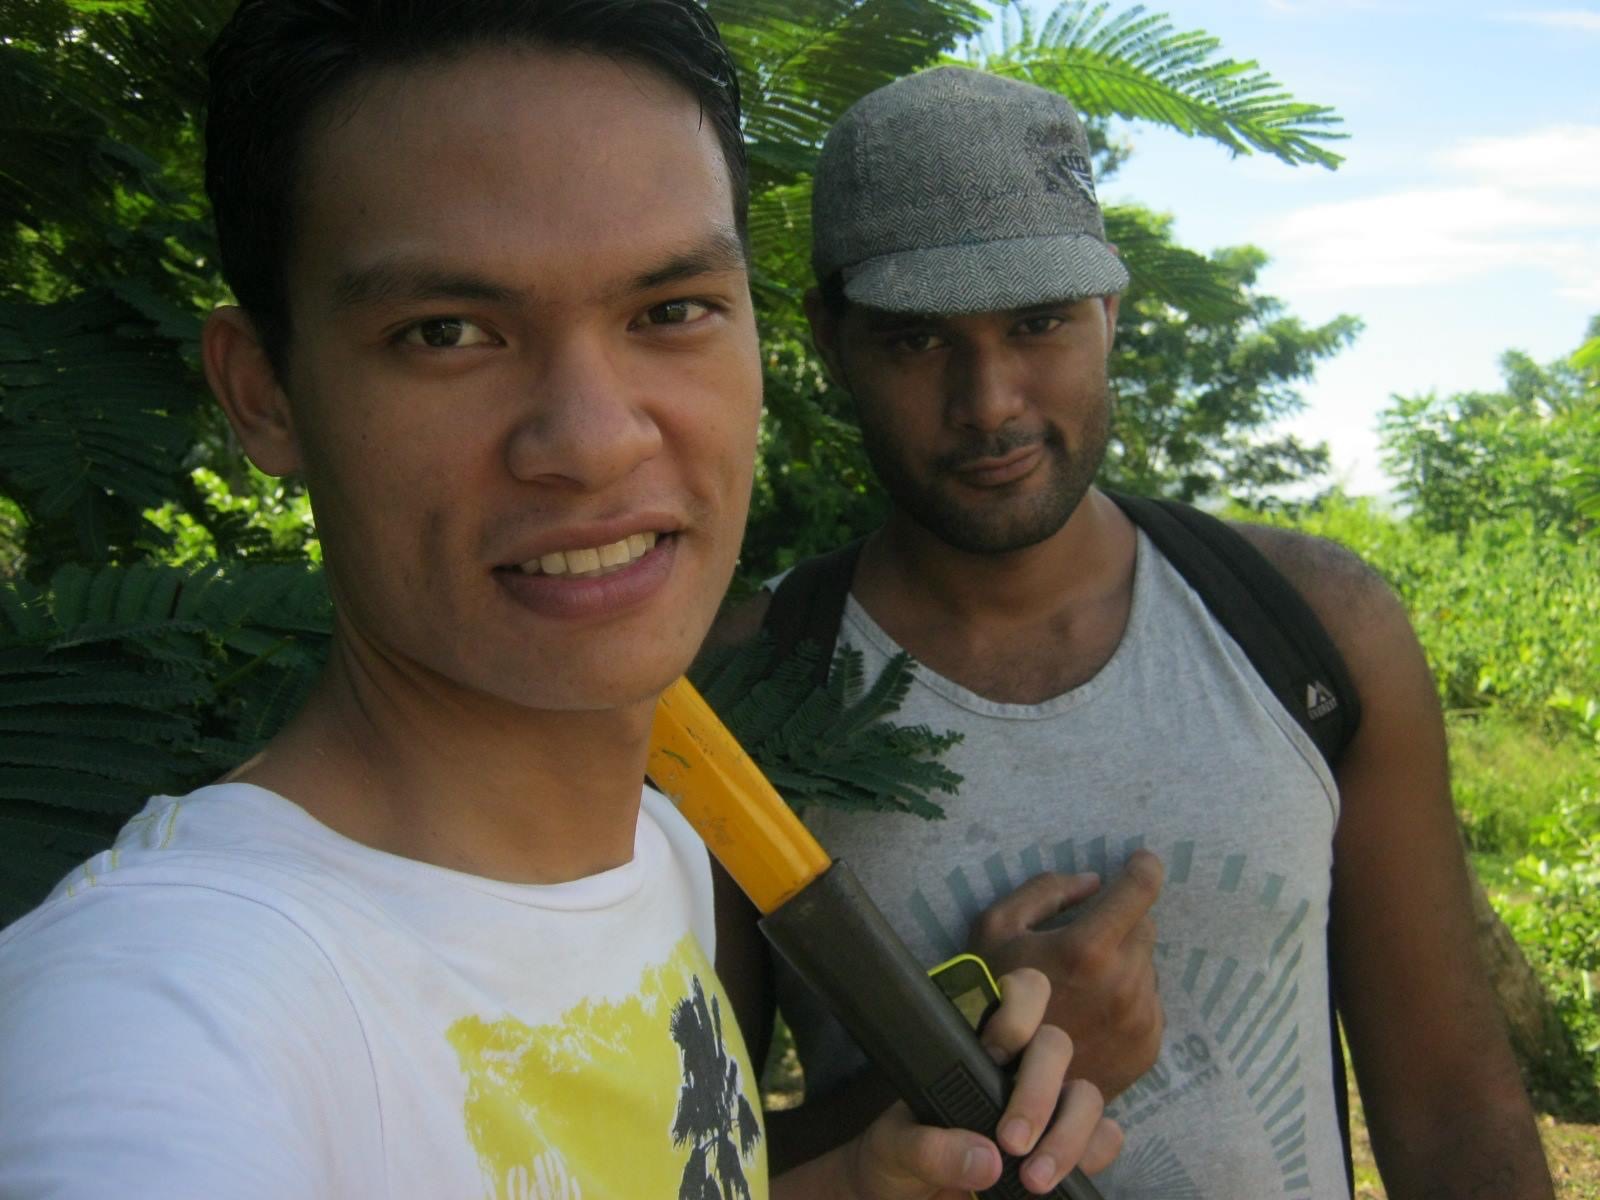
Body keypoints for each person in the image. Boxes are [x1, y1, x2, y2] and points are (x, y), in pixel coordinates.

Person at [0, 11, 1122, 1198]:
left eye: (670, 310)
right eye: (447, 333)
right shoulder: (174, 1012)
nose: (592, 441)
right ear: (262, 393)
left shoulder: (662, 853)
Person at [710, 66, 1554, 1198]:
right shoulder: (732, 697)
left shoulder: (1312, 631)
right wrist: (987, 1063)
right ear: (829, 338)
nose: (992, 400)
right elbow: (679, 1170)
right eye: (916, 341)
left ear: (1109, 312)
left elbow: (1454, 1111)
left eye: (1039, 321)